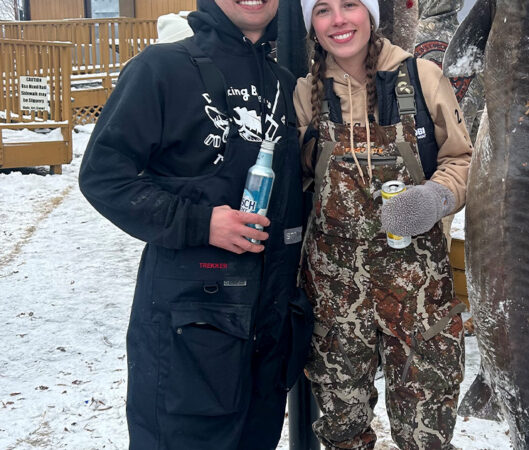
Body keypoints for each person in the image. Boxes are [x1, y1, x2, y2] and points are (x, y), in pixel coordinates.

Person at [78, 0, 312, 448]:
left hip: (266, 332)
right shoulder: (162, 68)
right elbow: (103, 176)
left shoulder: (283, 84)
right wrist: (200, 223)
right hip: (187, 333)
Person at [293, 0, 473, 448]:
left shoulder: (420, 77)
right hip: (336, 300)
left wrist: (436, 196)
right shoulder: (304, 94)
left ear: (370, 14)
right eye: (322, 10)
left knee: (426, 433)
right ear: (311, 26)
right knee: (341, 432)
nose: (338, 20)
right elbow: (292, 183)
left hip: (417, 294)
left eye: (350, 4)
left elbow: (463, 159)